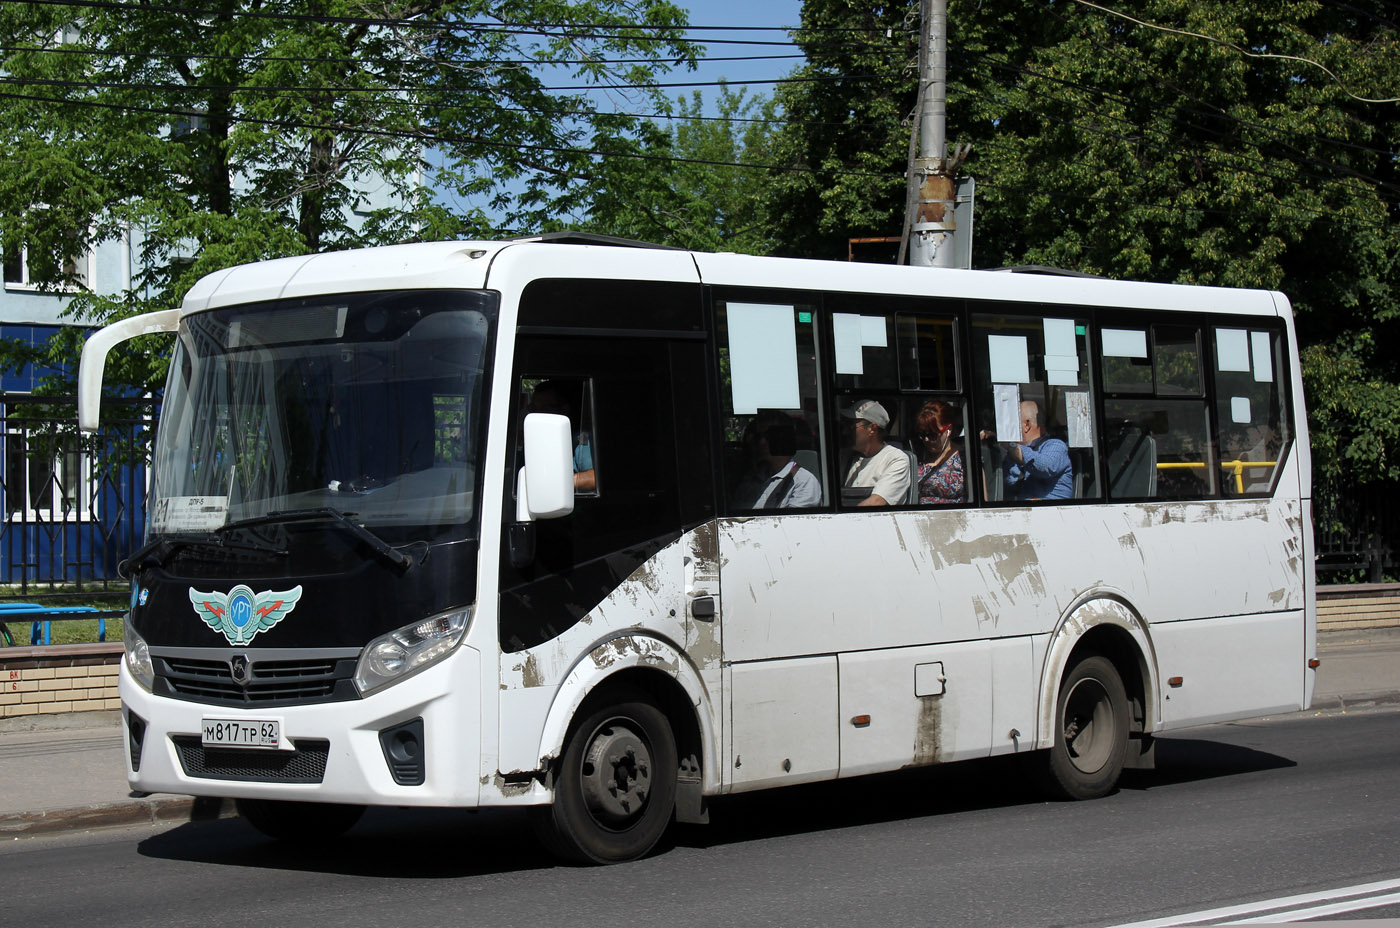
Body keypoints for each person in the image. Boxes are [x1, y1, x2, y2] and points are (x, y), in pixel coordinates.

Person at [984, 400, 1073, 501]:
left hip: (1050, 513)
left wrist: (1007, 443)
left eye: (1012, 423)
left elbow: (1043, 466)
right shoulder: (1010, 456)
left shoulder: (1056, 446)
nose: (1008, 428)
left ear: (1027, 425)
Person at [527, 380, 596, 492]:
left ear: (564, 410)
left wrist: (554, 483)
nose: (536, 414)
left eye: (544, 408)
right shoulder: (535, 439)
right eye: (533, 408)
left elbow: (594, 477)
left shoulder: (581, 439)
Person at [842, 399, 910, 507]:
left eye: (851, 426)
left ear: (872, 429)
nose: (845, 431)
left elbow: (876, 502)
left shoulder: (896, 459)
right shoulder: (846, 457)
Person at [751, 412, 821, 509]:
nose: (761, 442)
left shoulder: (803, 482)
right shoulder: (751, 480)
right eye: (758, 436)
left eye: (769, 436)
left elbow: (792, 522)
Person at [914, 400, 964, 505]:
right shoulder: (916, 455)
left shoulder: (966, 458)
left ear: (948, 430)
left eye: (932, 435)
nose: (926, 440)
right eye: (923, 435)